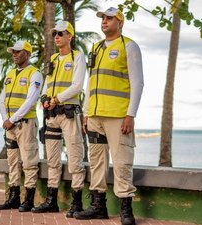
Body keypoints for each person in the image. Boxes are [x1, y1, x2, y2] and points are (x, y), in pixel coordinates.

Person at [73, 7, 144, 225]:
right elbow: (90, 83)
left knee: (122, 162)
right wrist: (86, 113)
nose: (104, 21)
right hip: (95, 117)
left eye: (109, 18)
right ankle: (98, 206)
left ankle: (126, 209)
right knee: (96, 163)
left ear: (120, 22)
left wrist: (130, 114)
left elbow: (137, 83)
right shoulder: (96, 48)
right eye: (103, 18)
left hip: (118, 117)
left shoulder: (129, 46)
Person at [31, 21, 86, 218]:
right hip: (51, 116)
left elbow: (77, 86)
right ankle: (51, 201)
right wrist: (45, 99)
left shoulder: (78, 57)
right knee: (52, 159)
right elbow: (47, 82)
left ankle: (77, 203)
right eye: (55, 33)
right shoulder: (53, 58)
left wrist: (56, 99)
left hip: (69, 114)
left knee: (75, 157)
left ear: (70, 36)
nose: (57, 37)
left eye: (61, 33)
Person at [0, 40, 43, 212]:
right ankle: (13, 197)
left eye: (18, 51)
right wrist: (5, 119)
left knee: (29, 162)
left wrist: (13, 119)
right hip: (10, 126)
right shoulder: (10, 74)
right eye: (13, 52)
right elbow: (2, 99)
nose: (14, 54)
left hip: (25, 125)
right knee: (12, 161)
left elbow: (30, 101)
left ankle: (28, 200)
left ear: (28, 53)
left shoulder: (35, 74)